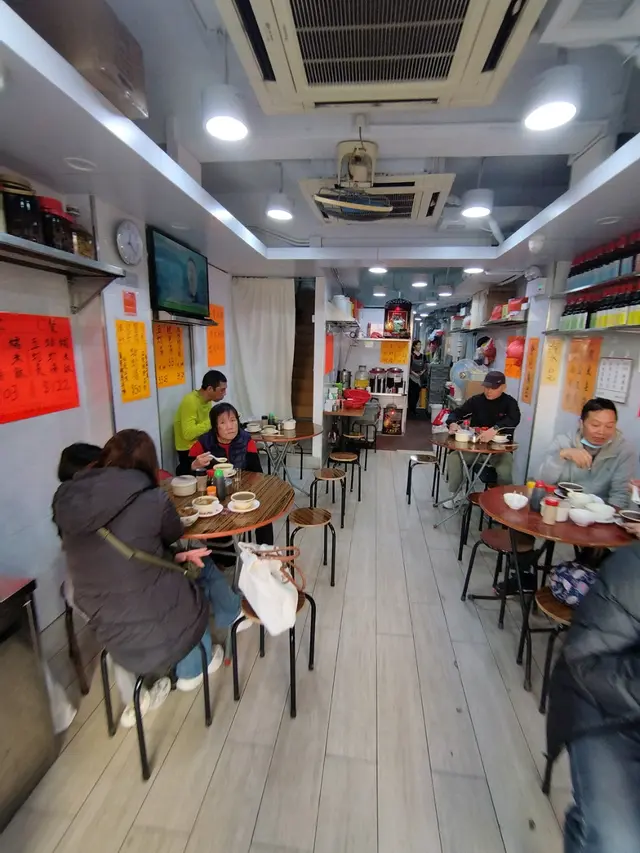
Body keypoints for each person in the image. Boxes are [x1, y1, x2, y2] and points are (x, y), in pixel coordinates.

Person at [52, 429, 235, 727]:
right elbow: (172, 535)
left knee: (173, 568)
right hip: (161, 630)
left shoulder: (67, 508)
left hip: (112, 639)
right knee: (195, 568)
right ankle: (195, 662)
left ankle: (138, 695)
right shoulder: (152, 499)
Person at [546, 533, 640, 853]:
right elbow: (585, 662)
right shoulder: (632, 568)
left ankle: (584, 826)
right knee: (619, 842)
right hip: (602, 705)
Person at [190, 402, 274, 545]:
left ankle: (264, 551)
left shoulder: (246, 440)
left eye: (233, 420)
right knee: (223, 539)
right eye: (223, 422)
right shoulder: (203, 443)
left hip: (241, 490)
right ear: (215, 426)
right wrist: (194, 466)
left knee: (264, 511)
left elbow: (257, 473)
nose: (230, 426)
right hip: (213, 494)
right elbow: (183, 472)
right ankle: (222, 551)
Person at [443, 370, 520, 509]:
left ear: (503, 387)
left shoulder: (510, 403)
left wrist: (495, 429)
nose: (488, 391)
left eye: (493, 388)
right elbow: (457, 413)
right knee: (454, 457)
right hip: (475, 448)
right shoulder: (477, 401)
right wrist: (452, 423)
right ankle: (456, 495)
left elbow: (514, 419)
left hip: (499, 451)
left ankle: (503, 503)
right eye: (486, 387)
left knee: (505, 470)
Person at [538, 397, 636, 507]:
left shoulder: (624, 451)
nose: (602, 432)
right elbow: (543, 480)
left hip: (600, 509)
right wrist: (561, 455)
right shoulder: (563, 442)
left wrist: (606, 514)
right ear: (581, 423)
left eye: (609, 426)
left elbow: (620, 495)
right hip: (563, 505)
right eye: (595, 425)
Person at [174, 370, 227, 475]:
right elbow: (188, 433)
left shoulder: (208, 401)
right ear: (210, 389)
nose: (225, 393)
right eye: (222, 390)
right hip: (188, 450)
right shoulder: (190, 400)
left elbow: (206, 427)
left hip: (203, 444)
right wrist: (214, 421)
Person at [408, 340, 427, 416]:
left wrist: (422, 372)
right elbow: (409, 367)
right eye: (418, 345)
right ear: (414, 346)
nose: (419, 346)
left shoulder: (423, 356)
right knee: (411, 394)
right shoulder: (411, 355)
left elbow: (425, 366)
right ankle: (410, 410)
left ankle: (414, 409)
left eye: (420, 344)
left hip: (419, 377)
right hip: (412, 377)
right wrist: (414, 373)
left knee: (417, 395)